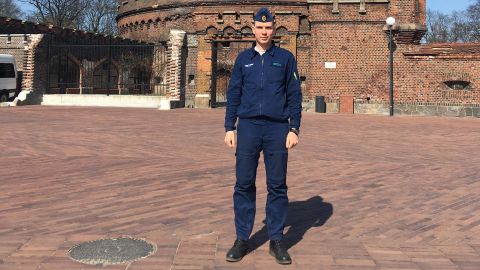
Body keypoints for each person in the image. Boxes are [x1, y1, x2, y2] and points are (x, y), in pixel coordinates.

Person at [223, 7, 302, 265]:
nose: (264, 32)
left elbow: (294, 95)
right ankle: (242, 238)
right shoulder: (243, 59)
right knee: (244, 183)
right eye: (260, 27)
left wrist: (294, 129)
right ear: (253, 28)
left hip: (277, 129)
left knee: (277, 185)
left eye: (268, 28)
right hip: (247, 127)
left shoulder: (286, 58)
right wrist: (229, 127)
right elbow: (234, 93)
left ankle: (277, 239)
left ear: (274, 28)